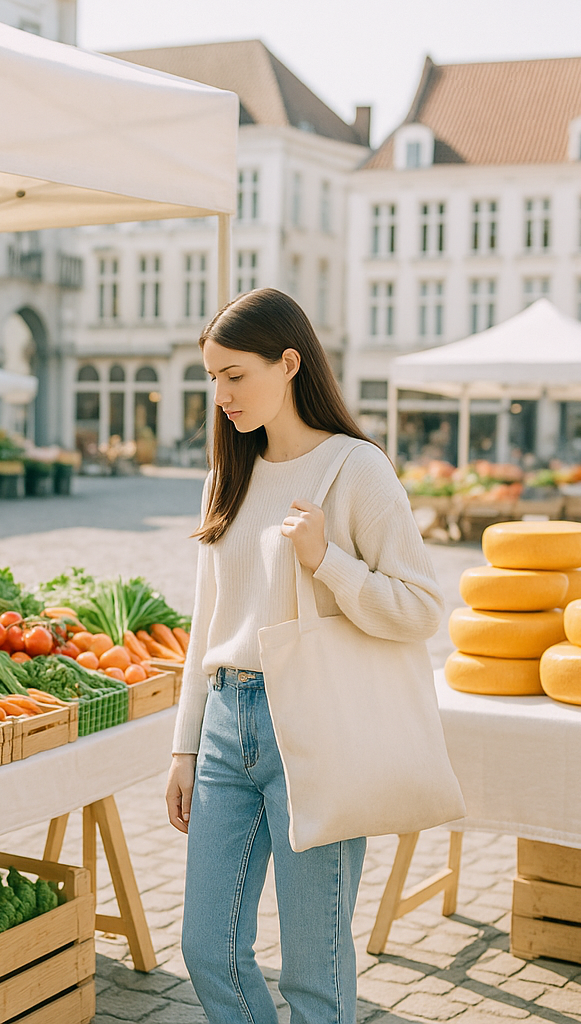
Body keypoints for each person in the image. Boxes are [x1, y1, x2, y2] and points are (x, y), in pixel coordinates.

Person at [166, 288, 443, 1024]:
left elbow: (421, 608)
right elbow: (207, 619)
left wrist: (328, 561)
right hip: (228, 726)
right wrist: (184, 747)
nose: (221, 394)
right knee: (208, 950)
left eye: (235, 375)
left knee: (314, 974)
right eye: (212, 379)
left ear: (288, 363)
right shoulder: (226, 474)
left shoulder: (356, 470)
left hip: (315, 730)